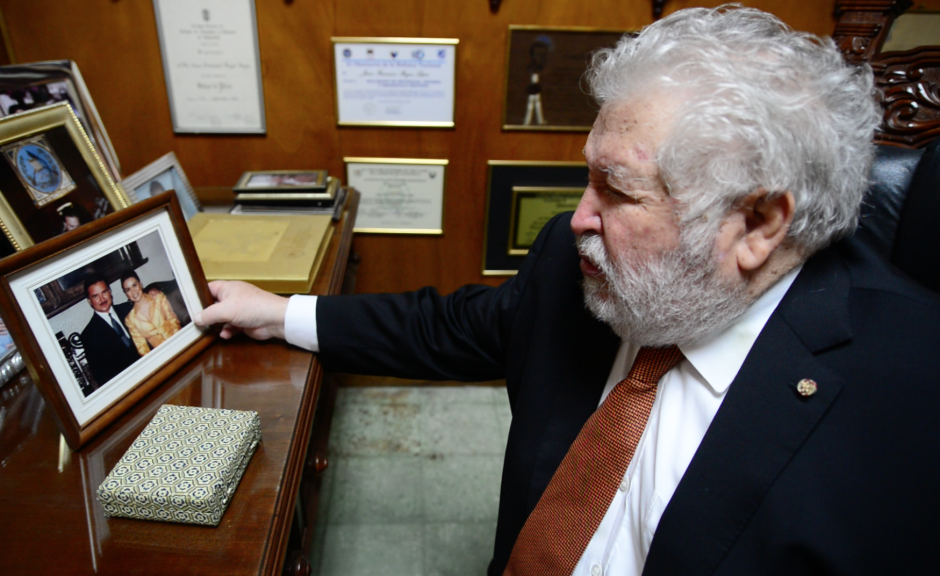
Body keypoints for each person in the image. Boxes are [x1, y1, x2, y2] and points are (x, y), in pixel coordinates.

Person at [195, 6, 940, 575]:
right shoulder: (576, 260)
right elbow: (456, 327)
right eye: (589, 174)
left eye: (617, 189)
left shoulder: (908, 408)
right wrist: (282, 312)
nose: (578, 217)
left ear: (757, 223)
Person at [80, 274, 141, 387]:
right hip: (127, 386)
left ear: (110, 292)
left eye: (104, 292)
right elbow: (102, 377)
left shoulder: (129, 309)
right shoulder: (88, 336)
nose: (102, 299)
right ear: (89, 301)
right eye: (95, 296)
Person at [119, 270, 181, 356]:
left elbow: (173, 320)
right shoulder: (130, 320)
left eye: (134, 285)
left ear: (140, 283)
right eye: (128, 290)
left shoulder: (158, 297)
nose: (133, 292)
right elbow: (142, 348)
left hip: (179, 342)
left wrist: (178, 342)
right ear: (126, 293)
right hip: (162, 356)